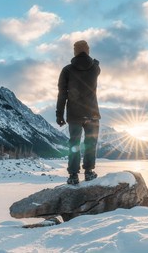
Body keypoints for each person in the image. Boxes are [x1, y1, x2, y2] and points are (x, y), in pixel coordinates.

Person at [56, 40, 101, 185]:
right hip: (92, 113)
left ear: (75, 51)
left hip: (74, 114)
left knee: (74, 143)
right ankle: (89, 172)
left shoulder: (67, 70)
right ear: (87, 51)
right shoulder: (95, 68)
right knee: (91, 143)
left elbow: (62, 94)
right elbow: (97, 66)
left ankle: (73, 175)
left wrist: (59, 114)